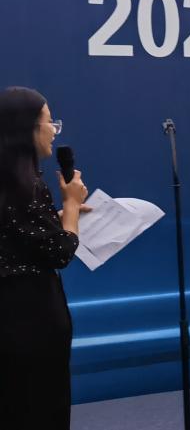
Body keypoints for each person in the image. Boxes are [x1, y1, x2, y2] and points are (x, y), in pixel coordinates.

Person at [0, 87, 89, 430]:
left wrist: (57, 216)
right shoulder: (28, 187)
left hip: (10, 317)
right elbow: (59, 251)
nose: (54, 131)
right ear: (26, 129)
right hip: (33, 318)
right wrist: (71, 206)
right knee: (40, 407)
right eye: (50, 122)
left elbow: (16, 235)